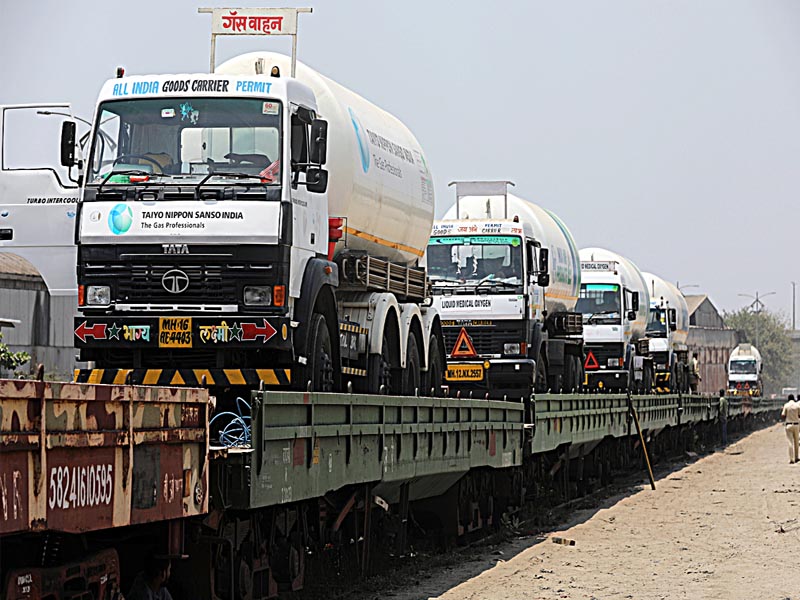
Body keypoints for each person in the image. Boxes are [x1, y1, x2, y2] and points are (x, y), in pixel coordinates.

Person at [781, 394, 800, 464]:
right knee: (796, 442)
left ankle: (791, 459)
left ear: (788, 399)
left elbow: (783, 415)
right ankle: (796, 457)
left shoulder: (786, 405)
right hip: (796, 425)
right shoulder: (797, 405)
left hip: (789, 425)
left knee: (790, 442)